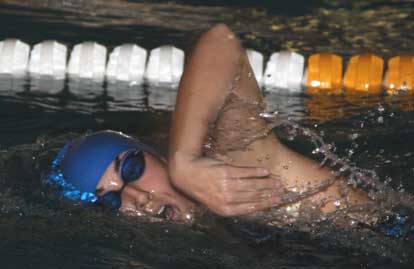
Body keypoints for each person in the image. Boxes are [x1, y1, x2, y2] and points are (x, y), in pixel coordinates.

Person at [45, 24, 375, 226]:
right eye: (111, 201)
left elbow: (221, 40)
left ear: (156, 154)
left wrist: (185, 162)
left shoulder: (240, 166)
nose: (139, 198)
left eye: (131, 168)